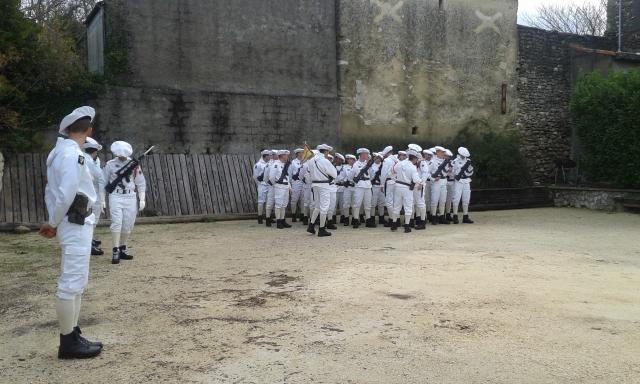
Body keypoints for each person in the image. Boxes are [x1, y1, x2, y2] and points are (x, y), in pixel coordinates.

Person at [40, 106, 103, 359]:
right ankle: (67, 343)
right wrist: (52, 223)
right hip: (74, 221)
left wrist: (54, 220)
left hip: (75, 221)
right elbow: (65, 194)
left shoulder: (61, 152)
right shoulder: (73, 156)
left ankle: (73, 332)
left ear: (67, 130)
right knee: (71, 282)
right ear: (88, 131)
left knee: (77, 282)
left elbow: (49, 191)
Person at [103, 141, 146, 264]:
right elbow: (103, 182)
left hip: (130, 197)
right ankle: (115, 249)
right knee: (117, 222)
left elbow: (140, 182)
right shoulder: (110, 165)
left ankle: (123, 247)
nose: (122, 156)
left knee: (128, 224)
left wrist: (142, 198)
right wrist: (102, 200)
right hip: (115, 196)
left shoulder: (134, 165)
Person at [307, 144, 338, 237]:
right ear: (325, 151)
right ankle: (321, 229)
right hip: (324, 185)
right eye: (328, 152)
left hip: (314, 184)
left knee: (317, 207)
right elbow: (334, 174)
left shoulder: (311, 160)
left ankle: (311, 226)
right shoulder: (325, 161)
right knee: (324, 207)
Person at [391, 145, 423, 233]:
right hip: (407, 188)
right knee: (408, 207)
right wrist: (421, 182)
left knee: (396, 206)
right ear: (415, 158)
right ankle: (407, 226)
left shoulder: (399, 163)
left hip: (398, 186)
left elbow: (392, 172)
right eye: (417, 159)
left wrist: (395, 180)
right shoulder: (412, 167)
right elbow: (416, 180)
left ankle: (394, 224)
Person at [83, 137, 106, 255]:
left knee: (90, 219)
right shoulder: (88, 160)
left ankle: (90, 240)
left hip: (89, 192)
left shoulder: (88, 159)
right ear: (94, 151)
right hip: (92, 193)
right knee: (92, 219)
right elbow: (100, 176)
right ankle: (88, 244)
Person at [351, 148, 375, 228]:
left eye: (367, 154)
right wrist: (367, 165)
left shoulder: (369, 164)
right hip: (359, 185)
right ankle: (355, 220)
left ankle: (368, 220)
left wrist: (369, 166)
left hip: (368, 185)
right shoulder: (356, 164)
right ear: (360, 155)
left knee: (368, 204)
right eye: (365, 154)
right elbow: (358, 172)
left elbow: (372, 175)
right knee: (357, 203)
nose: (367, 156)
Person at [269, 150, 292, 229]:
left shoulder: (285, 165)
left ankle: (283, 220)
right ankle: (278, 221)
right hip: (279, 186)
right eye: (286, 155)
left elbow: (287, 177)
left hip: (285, 186)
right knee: (278, 205)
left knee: (284, 204)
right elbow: (271, 177)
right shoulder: (275, 164)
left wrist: (289, 186)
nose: (287, 157)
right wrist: (276, 185)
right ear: (281, 156)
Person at [451, 147, 475, 224]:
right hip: (458, 181)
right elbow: (452, 172)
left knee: (466, 199)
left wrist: (470, 169)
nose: (463, 156)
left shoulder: (468, 161)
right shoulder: (455, 161)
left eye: (465, 155)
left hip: (466, 181)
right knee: (456, 199)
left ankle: (465, 216)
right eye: (462, 155)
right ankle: (455, 216)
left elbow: (470, 173)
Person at [429, 146, 451, 225]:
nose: (443, 154)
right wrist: (433, 179)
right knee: (435, 200)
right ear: (437, 152)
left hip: (444, 181)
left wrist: (449, 171)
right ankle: (433, 217)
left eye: (444, 152)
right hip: (436, 182)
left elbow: (446, 172)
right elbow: (427, 173)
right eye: (442, 152)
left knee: (443, 200)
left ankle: (442, 216)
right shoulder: (433, 161)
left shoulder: (446, 161)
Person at [253, 149, 271, 224]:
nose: (270, 157)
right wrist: (260, 184)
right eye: (268, 156)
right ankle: (259, 217)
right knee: (261, 201)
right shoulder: (258, 164)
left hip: (269, 185)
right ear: (265, 156)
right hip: (262, 185)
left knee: (269, 202)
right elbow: (255, 176)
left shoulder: (270, 163)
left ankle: (268, 217)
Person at [380, 146, 396, 227]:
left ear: (386, 153)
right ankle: (396, 219)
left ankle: (393, 220)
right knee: (395, 202)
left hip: (389, 182)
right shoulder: (397, 159)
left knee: (389, 202)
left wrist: (382, 184)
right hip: (397, 182)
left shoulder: (387, 160)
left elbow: (383, 173)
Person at [288, 148, 305, 222]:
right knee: (294, 200)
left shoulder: (305, 161)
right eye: (300, 153)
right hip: (296, 182)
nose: (302, 154)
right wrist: (290, 185)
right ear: (297, 154)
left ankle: (302, 214)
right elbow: (289, 174)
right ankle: (293, 215)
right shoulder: (293, 162)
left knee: (303, 200)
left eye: (302, 152)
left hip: (304, 182)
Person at [340, 154, 356, 226]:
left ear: (354, 160)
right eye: (348, 159)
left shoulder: (357, 166)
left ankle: (354, 218)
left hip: (355, 187)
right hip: (347, 187)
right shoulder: (344, 167)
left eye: (351, 159)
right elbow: (342, 176)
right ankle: (346, 219)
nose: (349, 160)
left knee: (354, 204)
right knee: (346, 203)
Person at [370, 152, 386, 225]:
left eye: (378, 158)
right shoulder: (370, 166)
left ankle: (381, 218)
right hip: (374, 186)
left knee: (381, 203)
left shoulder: (384, 166)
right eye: (376, 157)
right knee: (373, 203)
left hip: (382, 186)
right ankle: (372, 218)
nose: (377, 159)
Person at [263, 150, 277, 227]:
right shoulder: (269, 165)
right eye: (275, 155)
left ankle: (279, 219)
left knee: (278, 203)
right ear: (272, 155)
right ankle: (268, 218)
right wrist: (270, 184)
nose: (277, 156)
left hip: (279, 186)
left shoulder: (279, 163)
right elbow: (265, 177)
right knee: (270, 202)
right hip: (272, 186)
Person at [334, 153, 346, 225]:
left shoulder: (345, 168)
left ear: (342, 160)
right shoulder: (332, 167)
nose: (337, 160)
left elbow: (346, 176)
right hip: (334, 187)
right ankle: (333, 218)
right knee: (334, 204)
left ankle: (343, 217)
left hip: (342, 187)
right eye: (336, 158)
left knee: (343, 204)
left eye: (339, 159)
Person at [444, 149, 455, 223]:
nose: (446, 157)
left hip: (451, 182)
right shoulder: (441, 162)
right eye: (446, 156)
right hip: (443, 182)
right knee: (441, 200)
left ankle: (448, 214)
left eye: (448, 156)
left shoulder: (452, 163)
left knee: (449, 200)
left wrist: (451, 171)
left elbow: (454, 173)